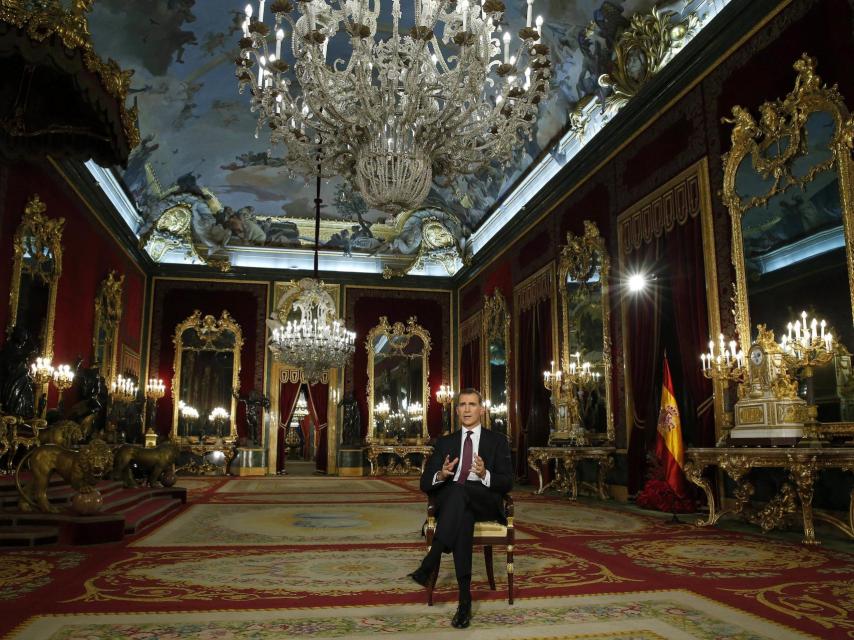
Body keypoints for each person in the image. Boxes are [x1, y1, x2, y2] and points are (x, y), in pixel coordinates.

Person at [407, 388, 513, 629]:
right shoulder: (446, 442)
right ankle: (465, 601)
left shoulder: (497, 441)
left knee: (460, 491)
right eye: (462, 405)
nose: (467, 409)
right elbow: (425, 483)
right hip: (457, 506)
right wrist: (441, 474)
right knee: (461, 511)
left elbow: (508, 482)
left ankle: (430, 561)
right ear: (456, 410)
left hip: (484, 500)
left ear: (481, 409)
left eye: (472, 404)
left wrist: (485, 474)